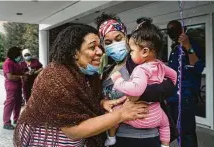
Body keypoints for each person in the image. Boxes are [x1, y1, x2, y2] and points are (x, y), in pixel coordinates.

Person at [13, 24, 149, 147]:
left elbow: (82, 100)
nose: (100, 52)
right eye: (92, 47)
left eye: (100, 46)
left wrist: (101, 103)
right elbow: (73, 130)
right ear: (74, 53)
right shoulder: (55, 78)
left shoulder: (88, 73)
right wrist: (121, 114)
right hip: (47, 141)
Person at [96, 13, 177, 147]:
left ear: (126, 38)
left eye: (118, 38)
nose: (114, 45)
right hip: (116, 135)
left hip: (144, 137)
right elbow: (97, 97)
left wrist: (139, 94)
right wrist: (103, 102)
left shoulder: (140, 61)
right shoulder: (107, 70)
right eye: (108, 42)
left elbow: (167, 85)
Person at [167, 20, 205, 147]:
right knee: (176, 130)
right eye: (169, 29)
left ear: (182, 29)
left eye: (173, 28)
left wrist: (188, 46)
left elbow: (198, 67)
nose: (170, 31)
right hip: (173, 95)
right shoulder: (174, 48)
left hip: (186, 96)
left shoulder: (192, 44)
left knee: (187, 132)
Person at [2, 47, 27, 130]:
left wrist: (25, 74)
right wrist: (21, 77)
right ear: (14, 54)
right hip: (11, 86)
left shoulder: (15, 62)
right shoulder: (8, 63)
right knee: (10, 104)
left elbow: (19, 72)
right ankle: (6, 122)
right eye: (19, 55)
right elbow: (10, 76)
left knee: (18, 103)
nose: (20, 56)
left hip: (18, 86)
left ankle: (16, 119)